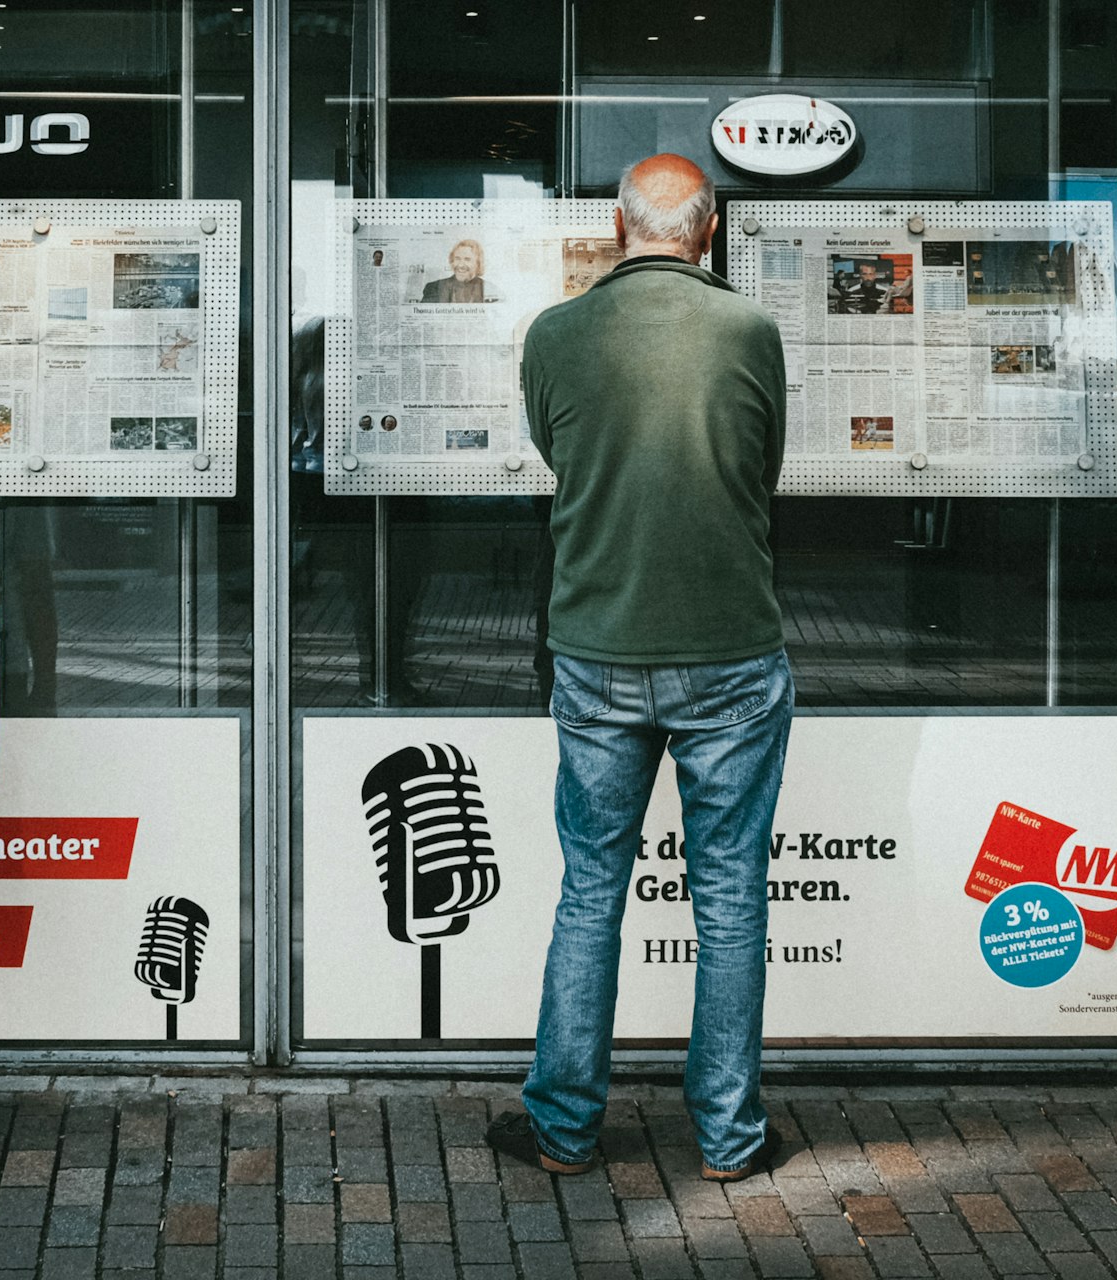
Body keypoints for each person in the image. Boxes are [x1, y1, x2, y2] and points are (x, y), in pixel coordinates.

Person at [486, 153, 792, 1183]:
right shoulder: (749, 330)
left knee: (590, 889)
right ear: (709, 232)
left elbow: (558, 456)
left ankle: (565, 1128)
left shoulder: (555, 333)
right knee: (731, 895)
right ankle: (731, 1138)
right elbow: (762, 469)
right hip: (730, 649)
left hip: (598, 647)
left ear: (619, 228)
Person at [420, 239, 494, 304]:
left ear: (478, 263)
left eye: (467, 259)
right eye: (457, 259)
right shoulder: (434, 288)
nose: (461, 265)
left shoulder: (489, 289)